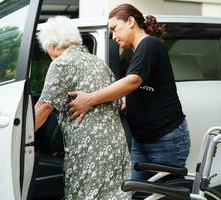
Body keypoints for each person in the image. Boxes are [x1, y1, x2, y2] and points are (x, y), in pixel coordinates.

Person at [68, 4, 191, 181]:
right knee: (136, 191)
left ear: (131, 21)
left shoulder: (150, 44)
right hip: (141, 140)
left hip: (165, 139)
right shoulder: (137, 52)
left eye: (114, 29)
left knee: (166, 194)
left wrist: (90, 99)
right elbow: (142, 85)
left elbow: (133, 81)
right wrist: (129, 100)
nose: (113, 36)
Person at [34, 16, 130, 200]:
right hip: (116, 147)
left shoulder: (61, 64)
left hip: (88, 153)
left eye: (47, 50)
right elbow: (118, 104)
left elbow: (44, 107)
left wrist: (21, 136)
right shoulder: (99, 63)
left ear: (53, 46)